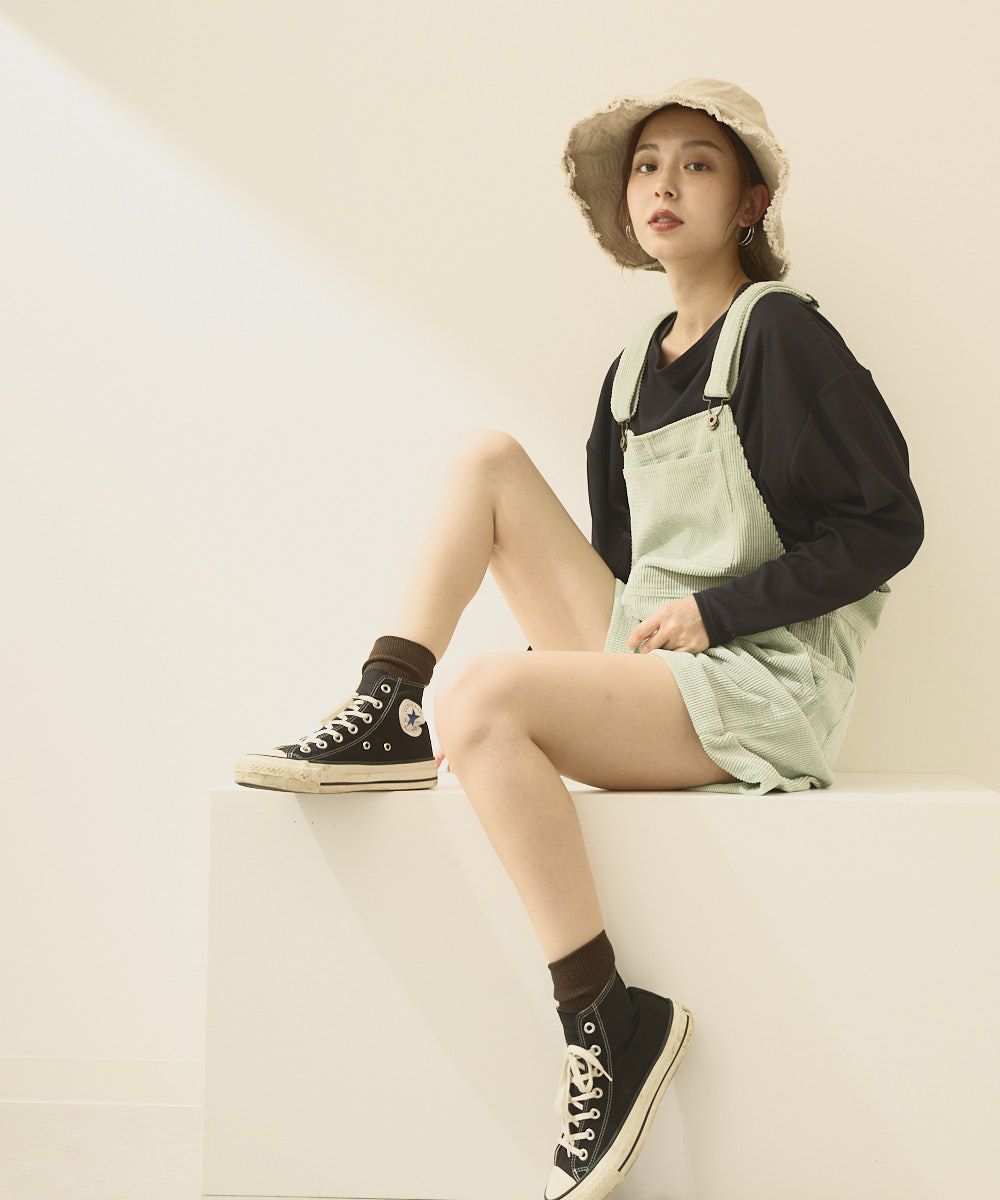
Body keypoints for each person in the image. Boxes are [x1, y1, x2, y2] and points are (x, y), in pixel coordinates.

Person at [234, 77, 924, 1200]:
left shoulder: (782, 334)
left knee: (483, 698)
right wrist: (600, 658)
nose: (663, 184)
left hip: (761, 681)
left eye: (696, 163)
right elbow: (624, 574)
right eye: (646, 165)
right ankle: (387, 700)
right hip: (665, 659)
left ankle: (605, 1016)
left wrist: (719, 613)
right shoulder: (630, 373)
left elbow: (887, 525)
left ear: (749, 202)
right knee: (483, 458)